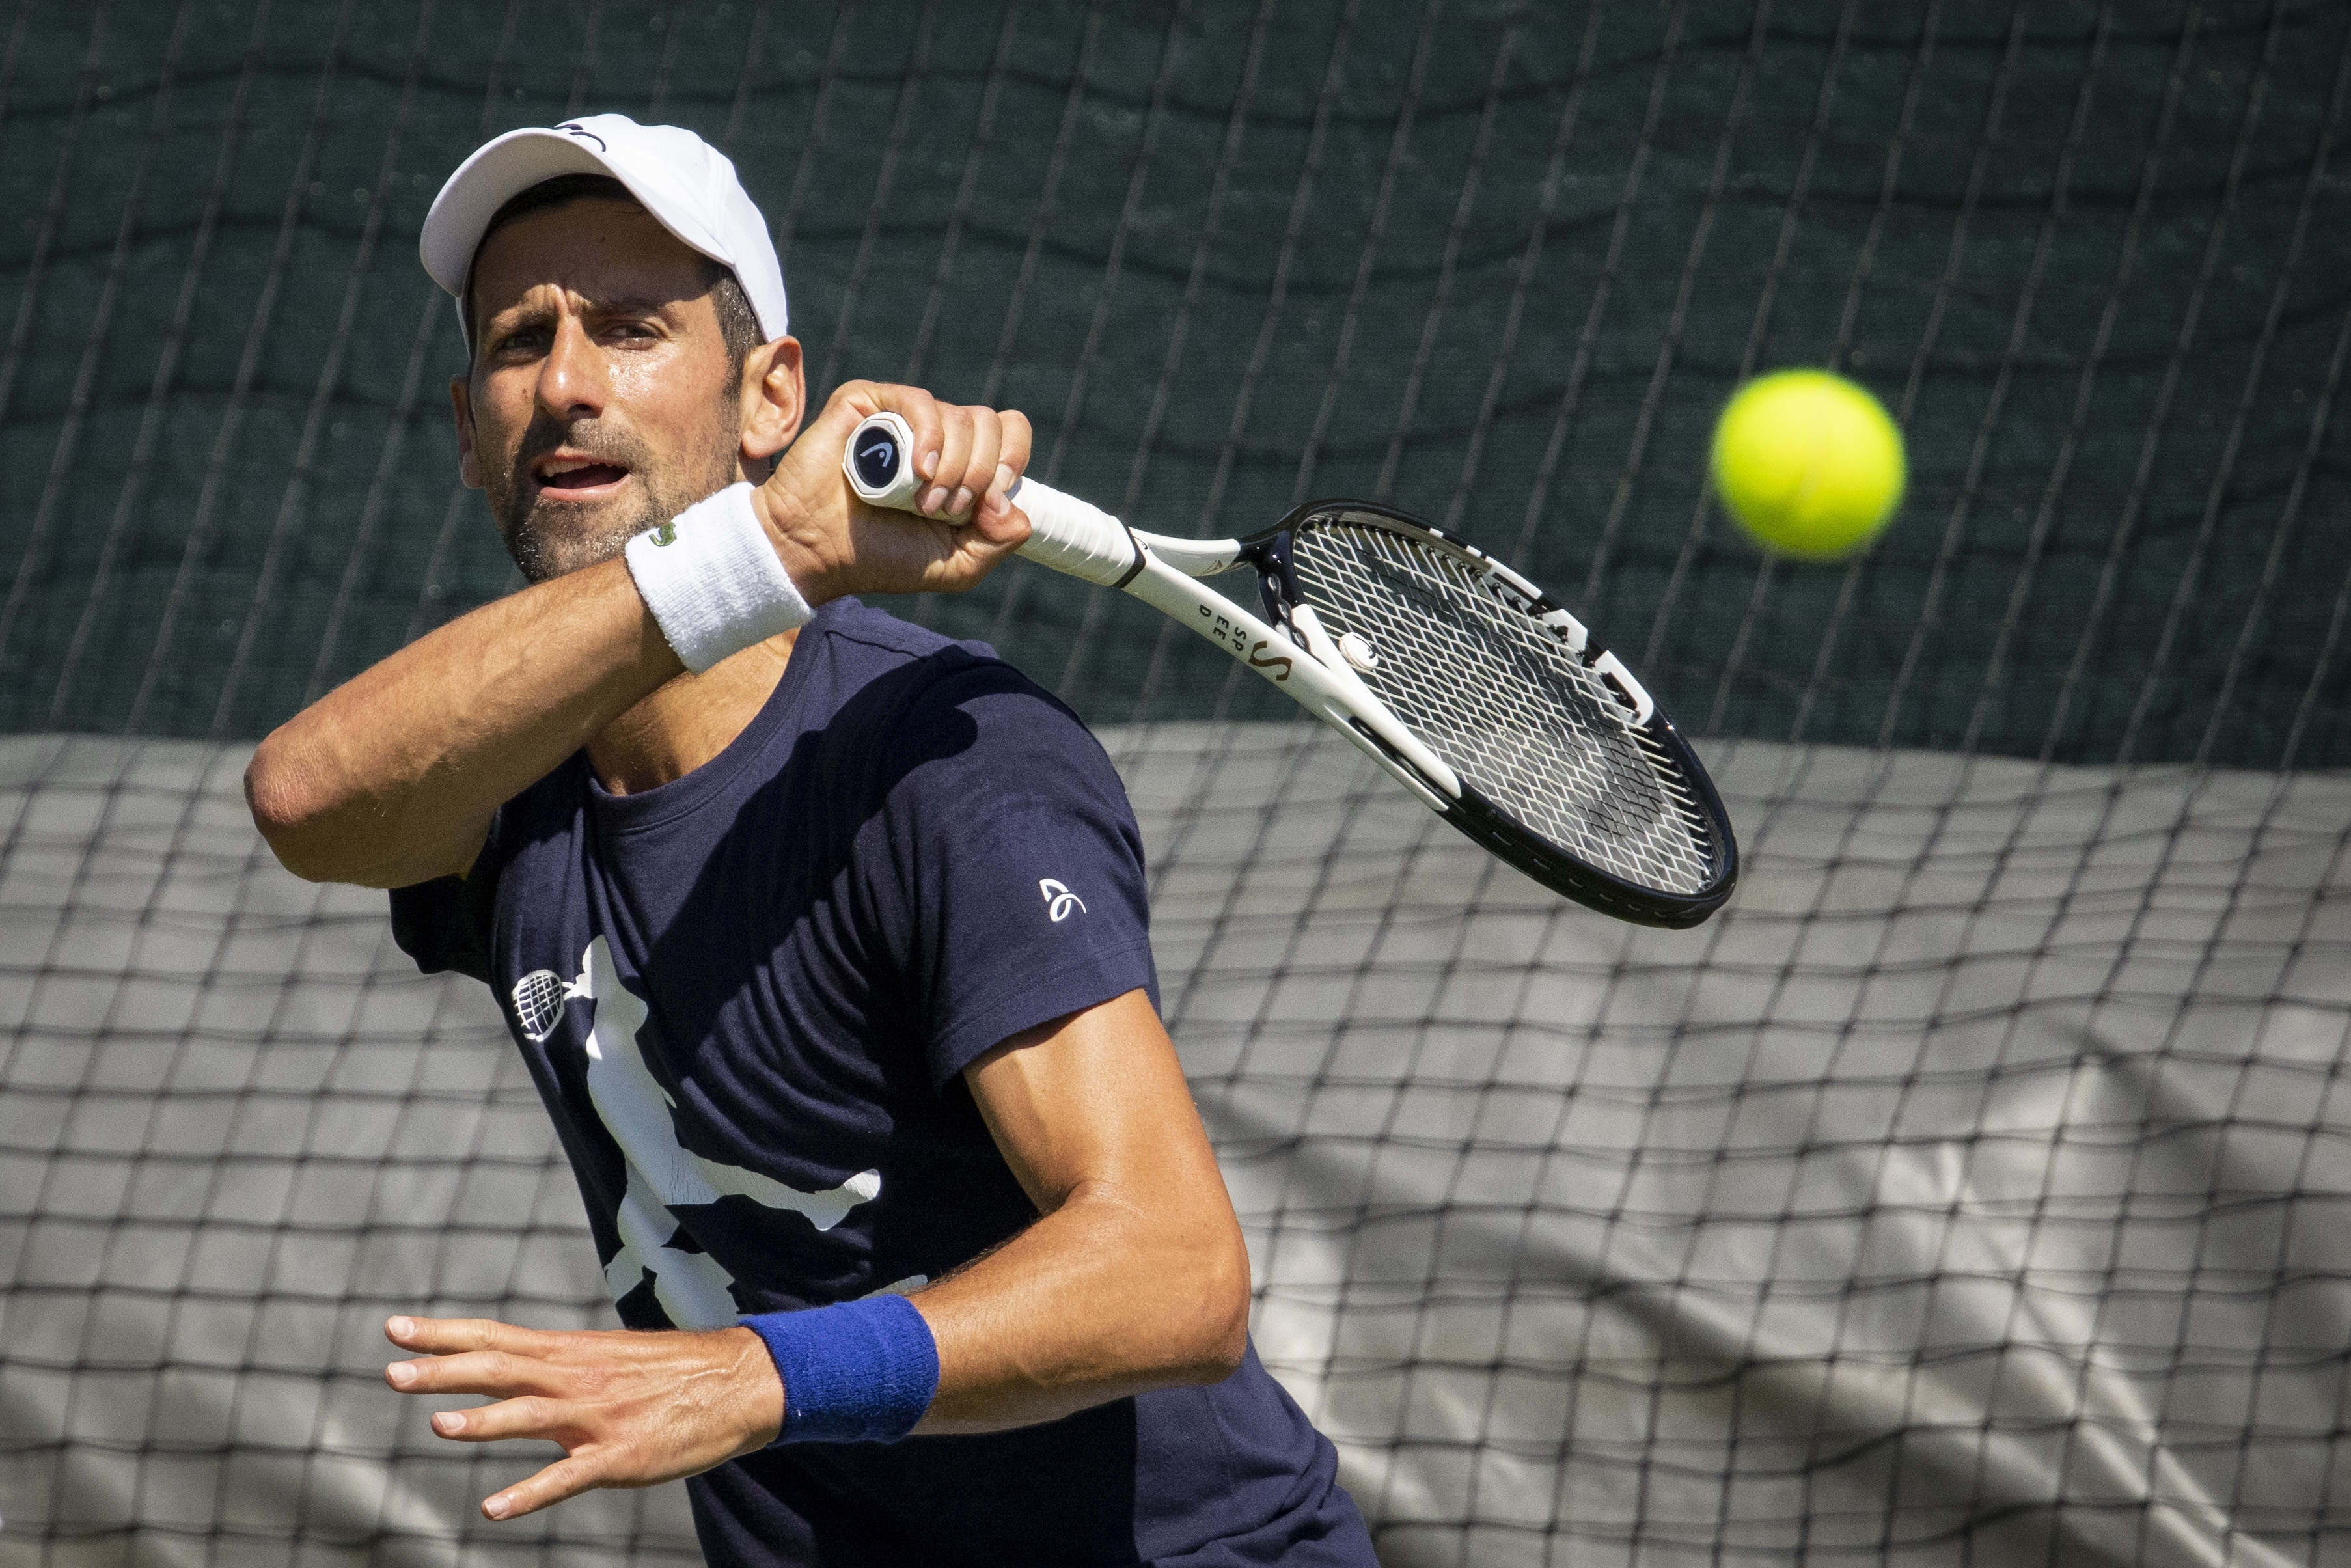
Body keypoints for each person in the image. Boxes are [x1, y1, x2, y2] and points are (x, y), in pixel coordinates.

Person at [243, 115, 1376, 1567]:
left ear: (771, 393)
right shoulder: (507, 789)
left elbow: (1175, 1274)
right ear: (470, 427)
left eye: (634, 328)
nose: (569, 383)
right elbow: (302, 797)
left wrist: (758, 1374)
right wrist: (762, 554)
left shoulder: (951, 761)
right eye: (523, 340)